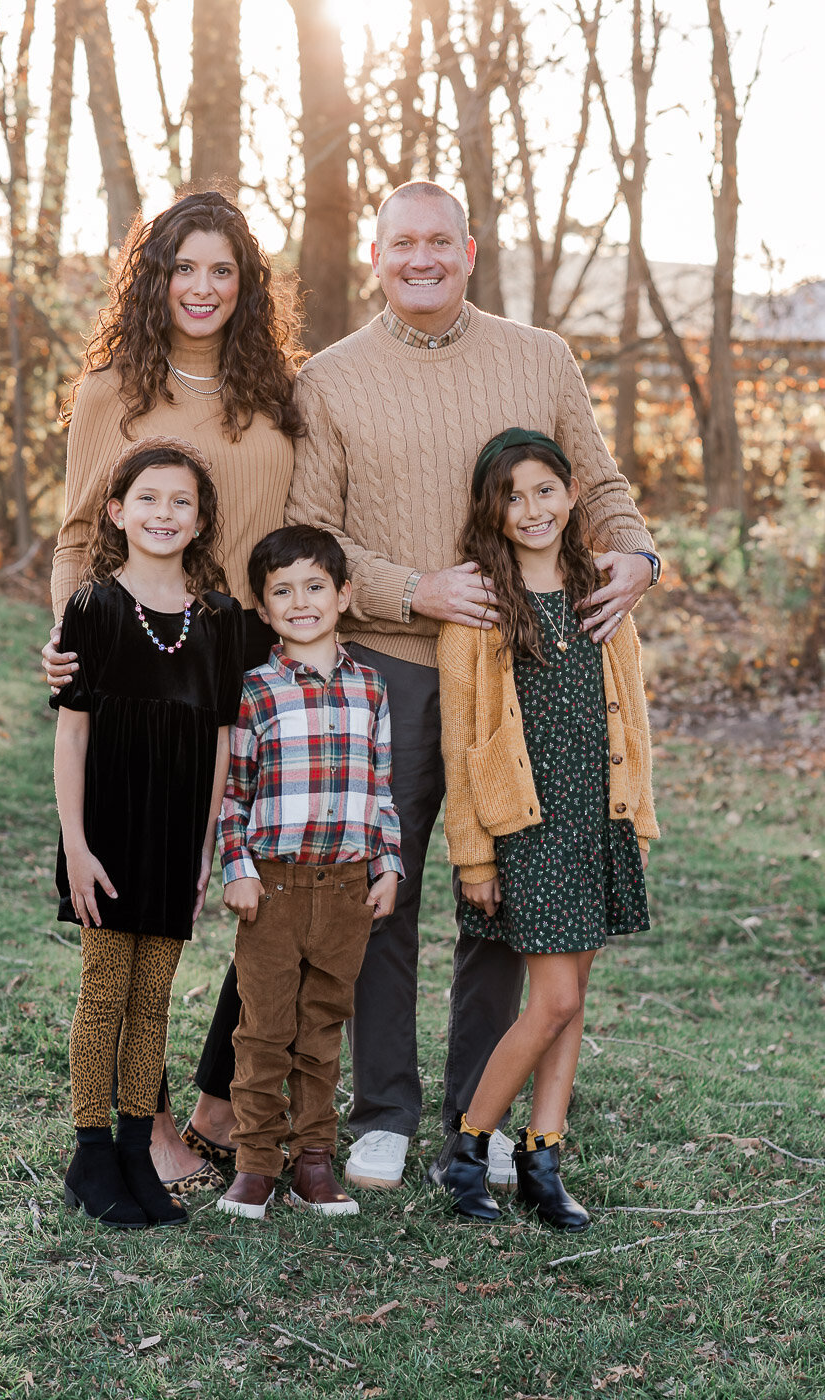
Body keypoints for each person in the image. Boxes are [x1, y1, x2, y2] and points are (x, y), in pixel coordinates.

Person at [285, 179, 662, 1192]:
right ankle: (383, 1111)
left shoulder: (538, 356)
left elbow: (602, 485)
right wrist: (417, 587)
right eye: (400, 242)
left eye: (437, 242)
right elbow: (308, 538)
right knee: (385, 889)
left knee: (506, 893)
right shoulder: (326, 379)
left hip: (525, 674)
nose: (420, 258)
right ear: (375, 255)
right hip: (390, 665)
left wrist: (637, 554)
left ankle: (475, 1114)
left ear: (469, 248)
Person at [43, 190, 303, 1192]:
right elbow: (76, 535)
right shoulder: (111, 390)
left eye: (220, 270)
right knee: (133, 906)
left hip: (245, 661)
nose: (200, 287)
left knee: (252, 891)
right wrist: (75, 641)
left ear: (245, 285)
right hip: (138, 659)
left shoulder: (277, 393)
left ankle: (213, 1102)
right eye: (181, 267)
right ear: (154, 279)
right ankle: (134, 1127)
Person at [428, 428, 658, 1228]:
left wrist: (632, 803)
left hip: (595, 815)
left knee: (574, 996)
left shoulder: (601, 590)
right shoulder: (480, 612)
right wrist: (473, 857)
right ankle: (464, 1147)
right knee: (552, 999)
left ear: (570, 495)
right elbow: (461, 750)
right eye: (512, 497)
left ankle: (542, 1156)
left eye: (545, 491)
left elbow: (625, 705)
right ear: (491, 511)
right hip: (526, 826)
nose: (531, 510)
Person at [53, 437, 244, 1229]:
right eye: (148, 499)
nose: (163, 514)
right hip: (104, 834)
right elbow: (71, 736)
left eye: (181, 503)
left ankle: (139, 1145)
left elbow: (223, 744)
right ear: (116, 511)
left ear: (200, 522)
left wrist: (203, 849)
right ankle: (91, 1153)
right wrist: (75, 847)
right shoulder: (93, 609)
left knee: (154, 996)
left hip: (174, 840)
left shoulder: (221, 621)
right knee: (105, 992)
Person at [214, 526, 402, 1219]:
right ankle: (256, 1164)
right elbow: (235, 794)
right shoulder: (257, 692)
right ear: (263, 609)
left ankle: (314, 1163)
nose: (300, 602)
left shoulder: (373, 691)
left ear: (344, 595)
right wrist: (238, 869)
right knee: (263, 1030)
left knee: (323, 1028)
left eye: (314, 587)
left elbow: (383, 790)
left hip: (349, 887)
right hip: (274, 885)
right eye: (282, 591)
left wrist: (389, 866)